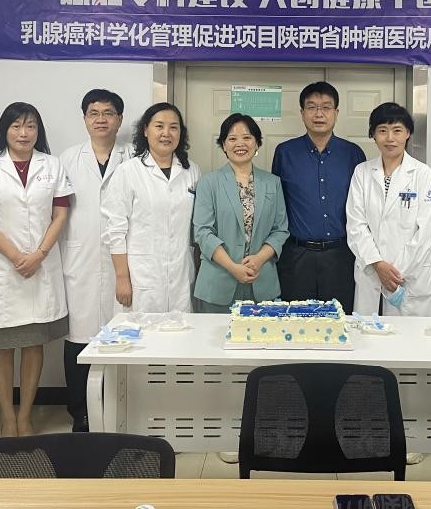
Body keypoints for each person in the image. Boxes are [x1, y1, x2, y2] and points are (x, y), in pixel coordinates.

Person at [0, 102, 73, 437]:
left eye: (30, 126)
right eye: (16, 126)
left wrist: (39, 254)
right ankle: (7, 417)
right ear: (5, 130)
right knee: (2, 346)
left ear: (38, 131)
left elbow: (61, 214)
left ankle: (25, 416)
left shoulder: (52, 165)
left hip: (40, 266)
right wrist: (16, 256)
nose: (23, 133)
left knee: (32, 344)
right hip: (3, 268)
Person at [57, 89, 132, 432]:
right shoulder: (67, 159)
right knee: (79, 338)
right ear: (85, 118)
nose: (101, 119)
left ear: (119, 119)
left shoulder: (133, 158)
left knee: (123, 338)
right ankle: (81, 414)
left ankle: (120, 409)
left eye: (108, 113)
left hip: (123, 261)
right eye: (94, 113)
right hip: (80, 259)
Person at [271, 81, 366, 312]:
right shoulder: (285, 152)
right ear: (302, 113)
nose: (319, 114)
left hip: (341, 257)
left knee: (340, 322)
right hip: (296, 256)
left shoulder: (353, 154)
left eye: (326, 107)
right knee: (295, 323)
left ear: (336, 112)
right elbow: (276, 205)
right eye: (312, 107)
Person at [104, 102, 200, 313]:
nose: (166, 133)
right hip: (141, 276)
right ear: (145, 130)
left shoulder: (191, 171)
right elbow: (115, 231)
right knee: (140, 331)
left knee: (180, 331)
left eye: (173, 127)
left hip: (180, 275)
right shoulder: (128, 171)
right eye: (159, 126)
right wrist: (122, 278)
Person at [347, 102, 431, 317]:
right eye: (382, 130)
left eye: (397, 130)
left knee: (410, 336)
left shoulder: (422, 173)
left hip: (410, 276)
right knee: (369, 334)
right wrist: (378, 264)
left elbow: (427, 231)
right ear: (373, 135)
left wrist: (394, 272)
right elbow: (355, 225)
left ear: (408, 133)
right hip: (371, 271)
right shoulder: (362, 172)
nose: (390, 138)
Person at [192, 113, 289, 312]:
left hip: (261, 281)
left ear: (257, 143)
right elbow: (203, 232)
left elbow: (280, 230)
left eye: (247, 137)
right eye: (232, 138)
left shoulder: (272, 182)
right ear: (223, 145)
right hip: (218, 282)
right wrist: (232, 267)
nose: (240, 144)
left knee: (263, 333)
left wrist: (259, 259)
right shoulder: (208, 182)